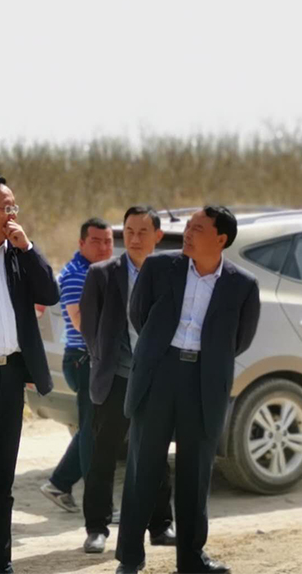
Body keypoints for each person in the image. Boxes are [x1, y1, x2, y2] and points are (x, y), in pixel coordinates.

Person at [115, 206, 261, 574]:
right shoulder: (160, 267)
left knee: (195, 475)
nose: (188, 233)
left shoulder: (243, 285)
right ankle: (129, 558)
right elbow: (139, 315)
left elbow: (239, 340)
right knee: (143, 469)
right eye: (188, 226)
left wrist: (202, 358)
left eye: (197, 228)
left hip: (204, 382)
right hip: (158, 375)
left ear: (220, 239)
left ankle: (192, 559)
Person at [0, 173, 60, 573]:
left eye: (14, 207)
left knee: (0, 483)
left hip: (9, 378)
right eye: (6, 208)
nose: (12, 215)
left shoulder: (18, 253)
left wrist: (29, 248)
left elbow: (50, 293)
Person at [79, 206, 175, 554]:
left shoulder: (171, 272)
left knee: (155, 452)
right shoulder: (103, 273)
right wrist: (105, 359)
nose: (135, 239)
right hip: (116, 377)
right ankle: (96, 528)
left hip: (156, 379)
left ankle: (161, 525)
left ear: (157, 236)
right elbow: (89, 325)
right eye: (129, 231)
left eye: (143, 232)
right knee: (103, 455)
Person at [40, 218, 112, 512]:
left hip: (93, 359)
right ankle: (97, 503)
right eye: (96, 241)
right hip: (84, 360)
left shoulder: (97, 270)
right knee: (93, 432)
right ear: (81, 243)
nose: (104, 247)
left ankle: (59, 484)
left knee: (91, 429)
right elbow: (81, 321)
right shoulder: (76, 274)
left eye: (108, 241)